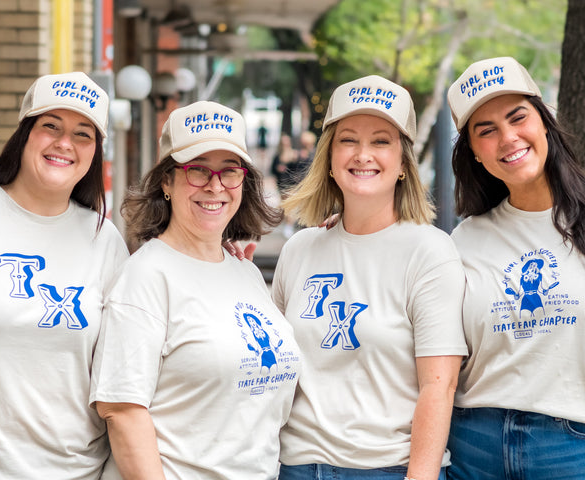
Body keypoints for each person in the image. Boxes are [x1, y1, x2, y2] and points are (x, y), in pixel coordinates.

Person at [90, 101, 301, 479]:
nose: (215, 186)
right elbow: (122, 411)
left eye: (229, 171)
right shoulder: (147, 276)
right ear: (166, 182)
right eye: (198, 170)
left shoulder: (244, 272)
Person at [273, 75, 467, 480]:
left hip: (386, 469)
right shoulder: (300, 250)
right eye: (348, 140)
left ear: (402, 162)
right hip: (294, 468)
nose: (363, 155)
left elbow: (439, 387)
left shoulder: (429, 252)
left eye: (381, 141)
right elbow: (273, 367)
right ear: (329, 156)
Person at [445, 56, 585, 479]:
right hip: (473, 444)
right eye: (486, 130)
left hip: (569, 444)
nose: (507, 138)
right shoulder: (462, 241)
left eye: (517, 117)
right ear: (474, 151)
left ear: (544, 121)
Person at [0, 72, 128, 478]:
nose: (64, 143)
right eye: (51, 126)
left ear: (95, 152)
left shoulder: (104, 238)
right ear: (25, 134)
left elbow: (119, 372)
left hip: (79, 471)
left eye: (83, 134)